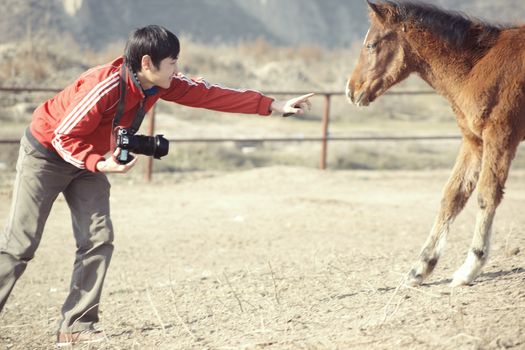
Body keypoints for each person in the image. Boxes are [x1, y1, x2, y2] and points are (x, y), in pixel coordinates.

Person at [0, 25, 313, 346]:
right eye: (173, 62)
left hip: (91, 159)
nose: (177, 69)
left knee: (98, 238)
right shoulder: (103, 85)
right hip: (47, 153)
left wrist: (274, 105)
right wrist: (99, 163)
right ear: (147, 63)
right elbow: (63, 136)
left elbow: (210, 94)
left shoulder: (159, 84)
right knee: (20, 244)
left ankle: (76, 326)